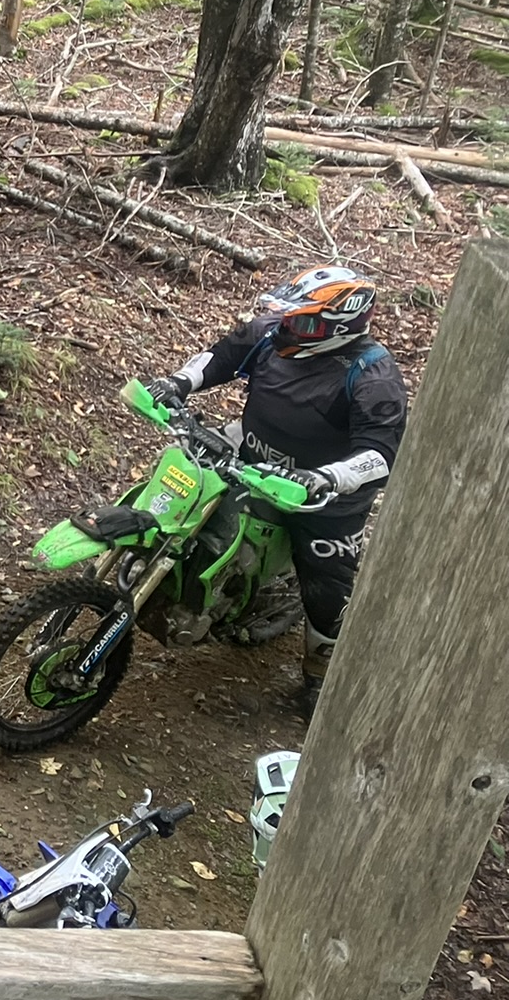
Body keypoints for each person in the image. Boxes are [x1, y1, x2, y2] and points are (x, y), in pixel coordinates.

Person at [145, 265, 406, 716]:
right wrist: (178, 383)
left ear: (337, 328)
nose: (289, 328)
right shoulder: (272, 334)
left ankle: (320, 676)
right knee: (185, 490)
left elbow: (382, 454)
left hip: (322, 495)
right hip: (250, 451)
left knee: (327, 585)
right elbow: (221, 356)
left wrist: (327, 478)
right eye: (290, 317)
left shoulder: (372, 377)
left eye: (302, 322)